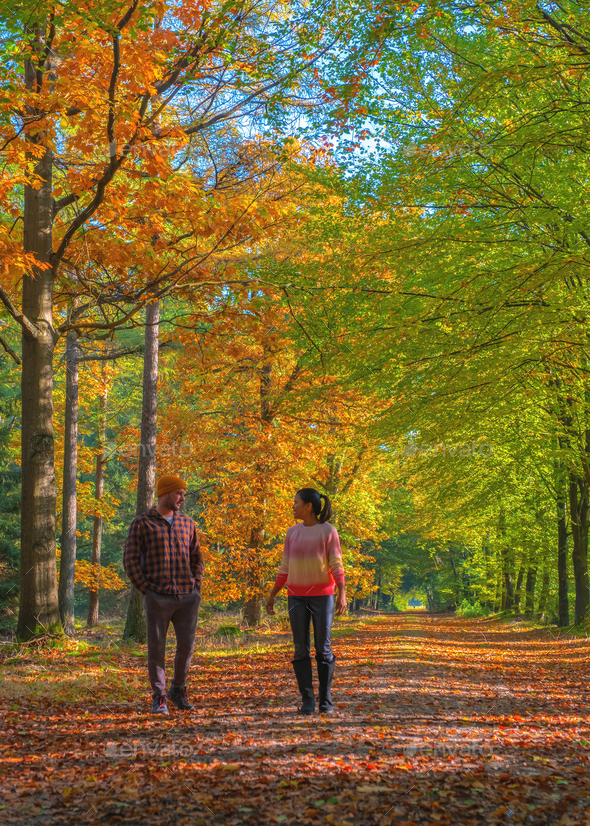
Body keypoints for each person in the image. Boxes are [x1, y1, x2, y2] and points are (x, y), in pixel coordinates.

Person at [123, 474, 203, 715]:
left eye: (183, 494)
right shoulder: (142, 523)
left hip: (187, 597)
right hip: (157, 596)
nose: (182, 498)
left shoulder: (187, 524)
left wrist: (196, 586)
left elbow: (197, 557)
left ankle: (178, 691)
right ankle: (159, 696)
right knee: (156, 648)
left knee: (186, 647)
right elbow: (130, 560)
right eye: (178, 493)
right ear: (165, 493)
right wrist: (146, 590)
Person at [266, 488, 346, 714]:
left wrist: (341, 592)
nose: (293, 506)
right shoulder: (292, 533)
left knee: (323, 649)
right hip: (296, 597)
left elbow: (336, 563)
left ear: (308, 506)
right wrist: (273, 594)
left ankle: (325, 700)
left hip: (323, 597)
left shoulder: (328, 531)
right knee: (300, 649)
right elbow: (285, 567)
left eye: (296, 502)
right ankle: (308, 699)